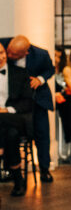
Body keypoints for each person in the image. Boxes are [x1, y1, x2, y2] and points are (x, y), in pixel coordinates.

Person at [1, 34, 54, 182]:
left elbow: (50, 69)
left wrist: (40, 79)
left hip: (37, 97)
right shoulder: (3, 45)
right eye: (8, 51)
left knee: (41, 132)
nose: (9, 55)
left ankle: (44, 168)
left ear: (26, 53)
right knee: (9, 131)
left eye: (14, 54)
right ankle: (9, 169)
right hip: (14, 100)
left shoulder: (41, 55)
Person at [0, 41, 33, 196]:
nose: (0, 57)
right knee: (11, 134)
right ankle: (18, 180)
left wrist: (6, 110)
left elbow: (27, 102)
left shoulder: (20, 73)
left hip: (15, 117)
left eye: (1, 53)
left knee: (11, 128)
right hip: (7, 128)